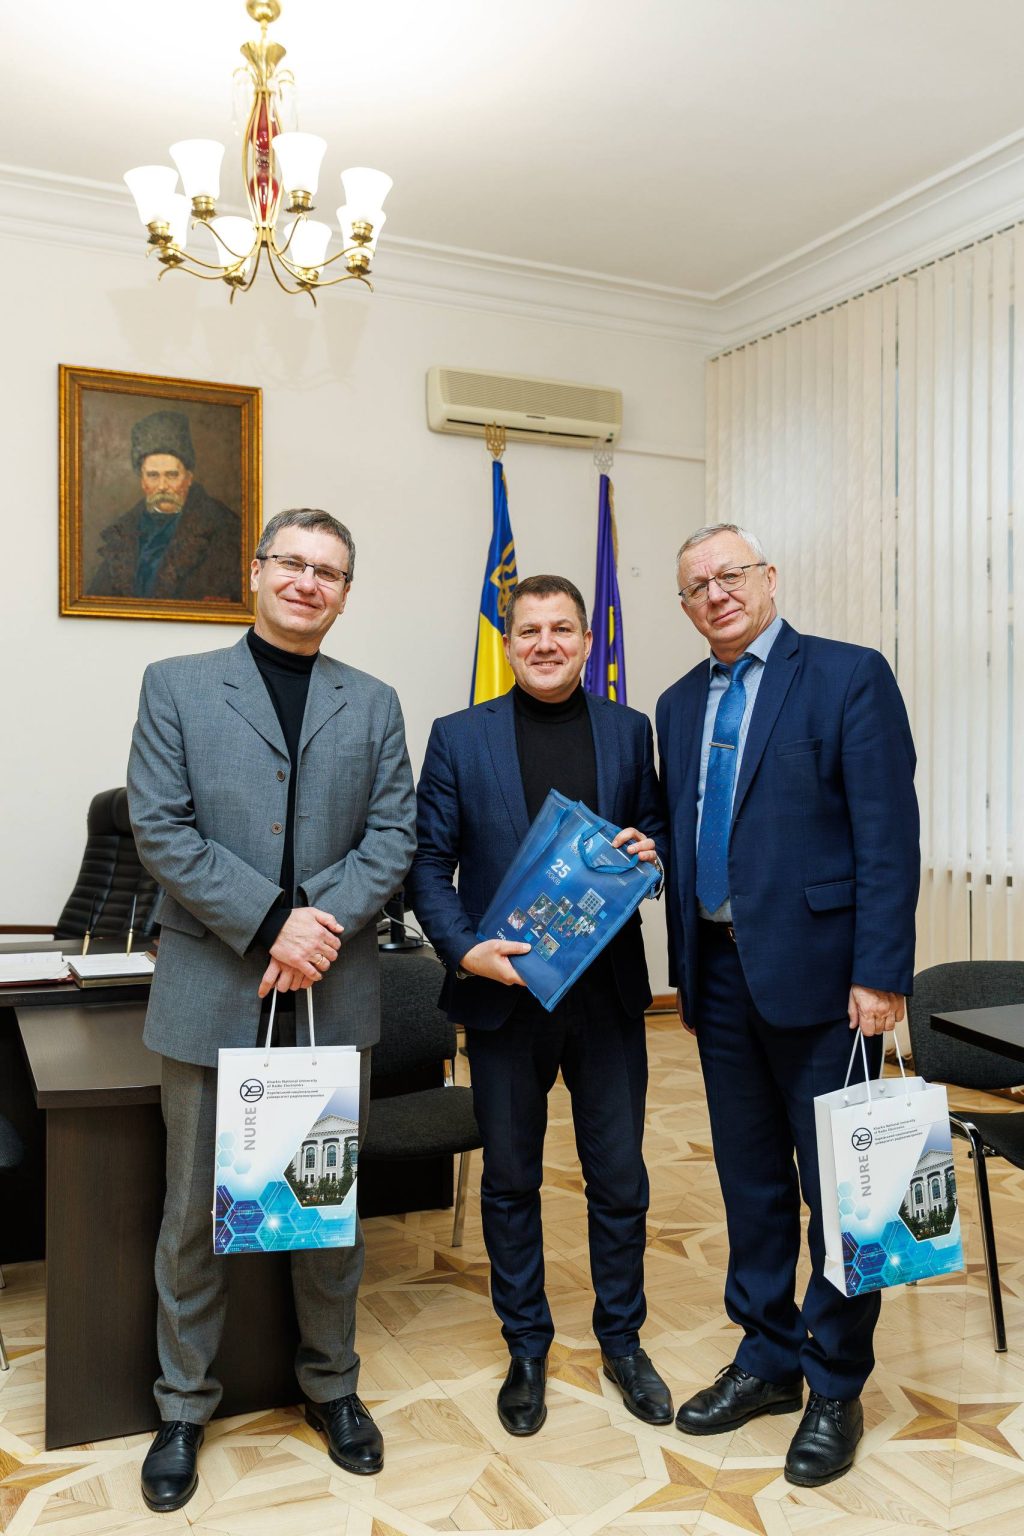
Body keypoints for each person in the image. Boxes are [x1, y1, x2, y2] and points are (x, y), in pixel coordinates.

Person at [127, 508, 416, 1512]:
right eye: (291, 562)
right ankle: (181, 1407)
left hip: (330, 991)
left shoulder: (372, 702)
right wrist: (269, 924)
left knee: (323, 1212)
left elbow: (393, 836)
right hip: (214, 987)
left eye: (328, 571)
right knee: (191, 1216)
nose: (307, 582)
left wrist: (313, 927)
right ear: (255, 572)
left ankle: (332, 1388)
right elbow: (160, 828)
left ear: (345, 593)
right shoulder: (175, 686)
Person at [655, 523, 919, 1487]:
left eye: (731, 574)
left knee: (846, 1190)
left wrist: (881, 973)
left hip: (828, 981)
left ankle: (836, 1383)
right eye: (696, 586)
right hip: (721, 978)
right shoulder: (677, 703)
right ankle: (766, 1358)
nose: (716, 594)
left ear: (768, 578)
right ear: (685, 607)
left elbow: (888, 833)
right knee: (751, 1184)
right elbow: (688, 833)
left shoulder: (848, 675)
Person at [407, 574, 672, 1437]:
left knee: (619, 1179)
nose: (547, 643)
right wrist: (465, 951)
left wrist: (652, 851)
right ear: (509, 643)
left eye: (563, 629)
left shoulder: (629, 731)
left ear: (587, 642)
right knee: (512, 1180)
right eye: (530, 631)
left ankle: (623, 1342)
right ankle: (526, 1347)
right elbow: (427, 863)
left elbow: (658, 829)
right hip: (503, 1001)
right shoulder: (458, 737)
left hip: (607, 999)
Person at [88, 408, 241, 600]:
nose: (162, 486)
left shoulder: (224, 527)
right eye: (153, 475)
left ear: (188, 478)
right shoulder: (122, 535)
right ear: (142, 481)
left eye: (172, 475)